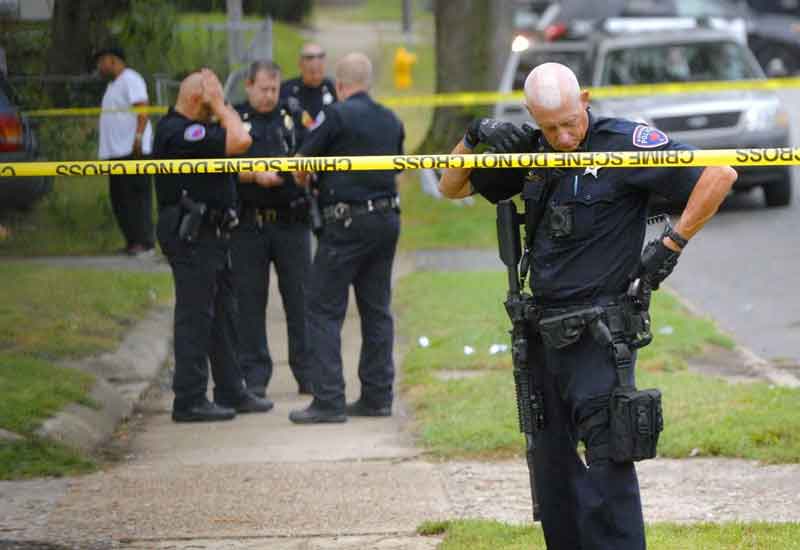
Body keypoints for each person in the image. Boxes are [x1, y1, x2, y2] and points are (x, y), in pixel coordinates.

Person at [438, 62, 738, 549]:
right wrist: (473, 137)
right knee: (552, 467)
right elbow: (451, 186)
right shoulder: (534, 151)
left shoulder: (623, 143)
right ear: (533, 117)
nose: (560, 136)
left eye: (569, 123)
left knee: (607, 462)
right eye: (548, 126)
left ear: (586, 101)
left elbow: (718, 174)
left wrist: (671, 246)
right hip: (540, 331)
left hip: (601, 332)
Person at [288, 52, 404, 424]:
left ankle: (328, 400)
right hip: (386, 220)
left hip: (346, 224)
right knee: (376, 310)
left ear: (339, 86)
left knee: (322, 308)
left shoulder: (335, 115)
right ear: (367, 83)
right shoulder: (391, 119)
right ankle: (377, 397)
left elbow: (302, 165)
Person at [153, 68, 273, 423]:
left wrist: (219, 105)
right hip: (193, 234)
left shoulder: (202, 129)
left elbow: (238, 138)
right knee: (195, 317)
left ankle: (230, 390)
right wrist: (220, 105)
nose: (218, 107)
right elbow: (241, 141)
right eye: (211, 100)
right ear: (197, 100)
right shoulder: (180, 131)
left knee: (223, 314)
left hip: (213, 233)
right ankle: (189, 399)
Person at [229, 60, 313, 398]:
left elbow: (313, 154)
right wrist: (253, 175)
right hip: (249, 224)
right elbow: (219, 164)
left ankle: (308, 374)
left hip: (291, 223)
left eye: (274, 89)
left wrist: (301, 174)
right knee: (249, 303)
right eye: (263, 89)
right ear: (248, 85)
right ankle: (254, 376)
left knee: (301, 301)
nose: (269, 95)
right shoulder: (234, 119)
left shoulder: (293, 116)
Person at [95, 46, 155, 256]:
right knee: (120, 198)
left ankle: (145, 241)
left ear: (112, 60)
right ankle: (132, 241)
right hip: (117, 152)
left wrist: (138, 136)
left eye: (101, 61)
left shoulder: (131, 79)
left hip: (133, 150)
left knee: (136, 197)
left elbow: (142, 109)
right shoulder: (113, 85)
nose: (99, 67)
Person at [280, 42, 337, 132]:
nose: (316, 62)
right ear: (300, 63)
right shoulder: (286, 90)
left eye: (320, 57)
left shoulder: (334, 88)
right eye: (310, 57)